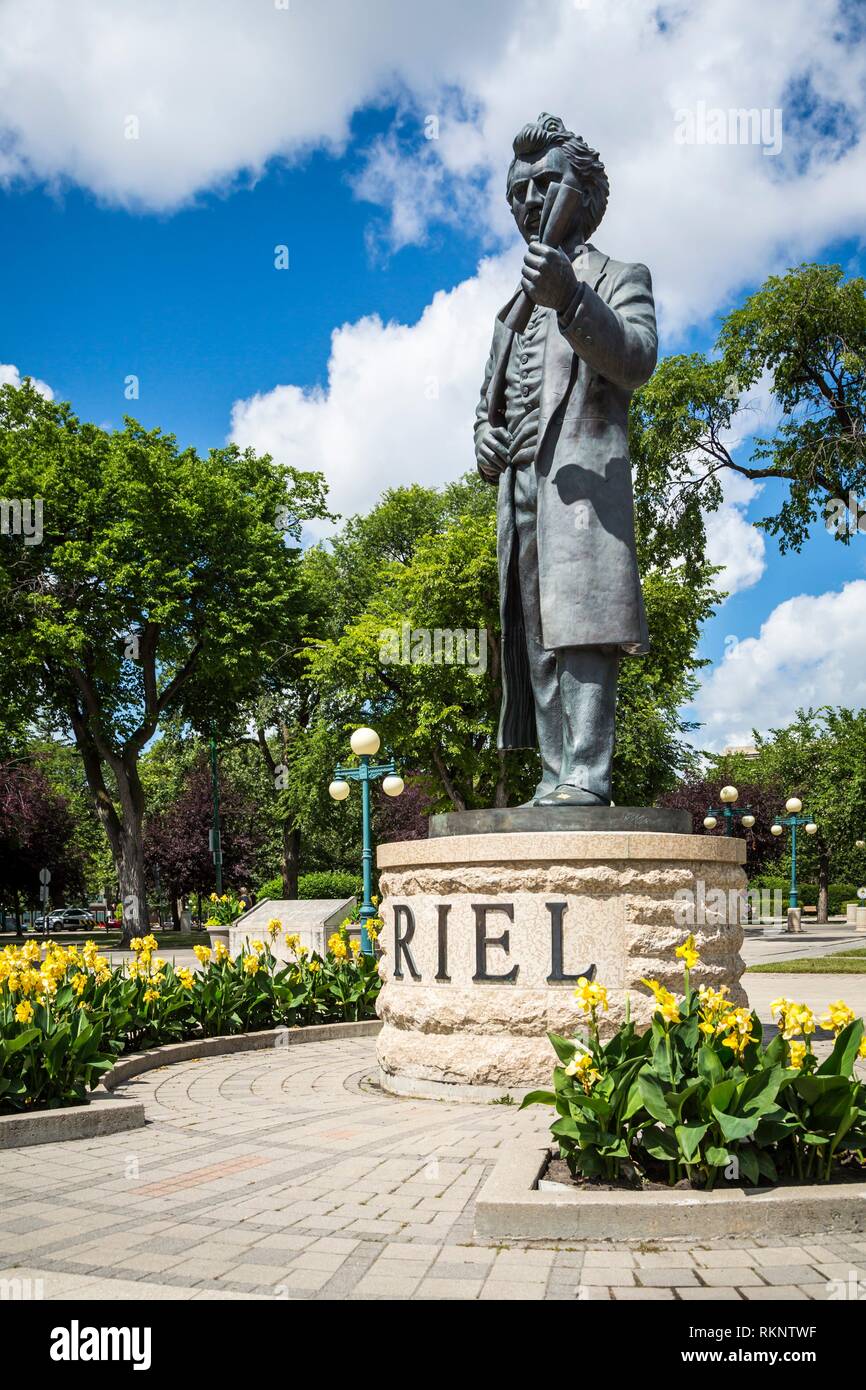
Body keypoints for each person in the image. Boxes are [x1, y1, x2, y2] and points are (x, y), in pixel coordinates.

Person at [475, 113, 657, 807]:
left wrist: (571, 298)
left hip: (581, 494)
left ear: (583, 192)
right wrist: (483, 444)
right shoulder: (506, 314)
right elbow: (486, 411)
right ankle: (555, 778)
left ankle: (587, 774)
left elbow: (635, 360)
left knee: (583, 623)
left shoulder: (618, 277)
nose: (527, 199)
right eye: (517, 189)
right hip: (518, 491)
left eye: (543, 183)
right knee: (535, 634)